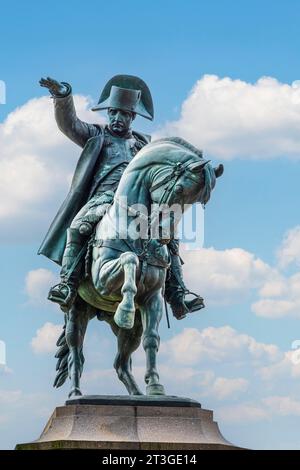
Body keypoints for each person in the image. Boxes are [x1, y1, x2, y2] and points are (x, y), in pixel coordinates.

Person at [38, 75, 204, 318]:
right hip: (103, 200)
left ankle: (177, 294)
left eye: (123, 114)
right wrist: (63, 96)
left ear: (132, 116)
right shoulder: (97, 135)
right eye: (113, 113)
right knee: (77, 227)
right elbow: (69, 124)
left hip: (140, 207)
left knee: (170, 237)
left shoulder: (143, 145)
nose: (117, 118)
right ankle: (67, 283)